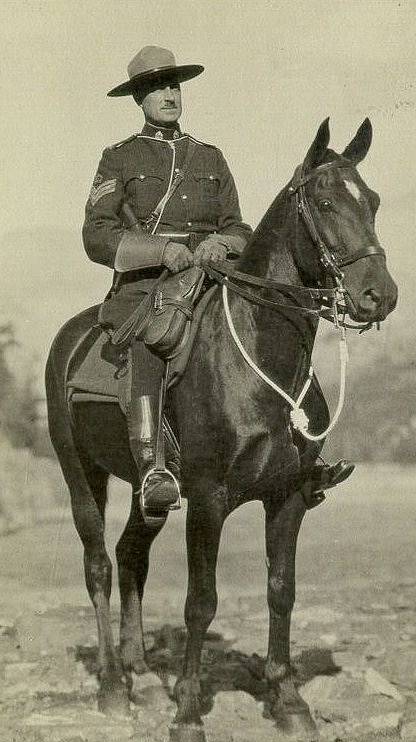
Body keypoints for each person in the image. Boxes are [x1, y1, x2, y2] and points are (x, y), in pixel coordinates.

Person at [82, 45, 253, 519]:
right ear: (140, 98)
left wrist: (222, 244)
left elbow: (240, 227)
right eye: (158, 87)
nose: (170, 94)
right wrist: (161, 250)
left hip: (209, 279)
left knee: (266, 323)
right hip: (147, 287)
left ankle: (298, 448)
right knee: (153, 337)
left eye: (174, 84)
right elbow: (97, 235)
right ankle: (153, 466)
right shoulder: (119, 158)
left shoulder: (209, 157)